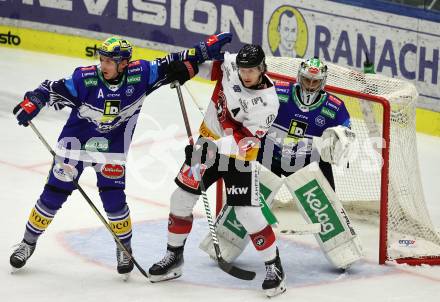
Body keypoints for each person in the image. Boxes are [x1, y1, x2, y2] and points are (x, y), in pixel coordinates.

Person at [10, 34, 231, 278]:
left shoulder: (142, 74)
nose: (103, 65)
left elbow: (174, 61)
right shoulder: (84, 78)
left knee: (114, 201)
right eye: (102, 59)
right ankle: (27, 243)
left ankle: (124, 247)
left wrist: (203, 49)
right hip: (75, 145)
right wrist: (33, 102)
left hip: (112, 149)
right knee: (53, 194)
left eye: (109, 61)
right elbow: (48, 90)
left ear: (124, 63)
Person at [148, 43, 286, 297]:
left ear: (262, 69)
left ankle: (274, 267)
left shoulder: (268, 103)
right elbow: (208, 69)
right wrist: (186, 70)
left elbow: (245, 143)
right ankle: (174, 257)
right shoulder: (231, 64)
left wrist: (211, 148)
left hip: (238, 156)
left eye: (252, 71)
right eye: (244, 70)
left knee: (247, 213)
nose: (246, 75)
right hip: (208, 144)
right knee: (180, 199)